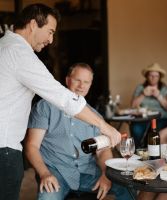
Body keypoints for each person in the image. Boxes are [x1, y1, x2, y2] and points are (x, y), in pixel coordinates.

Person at [0, 4, 121, 200]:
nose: (51, 39)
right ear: (32, 25)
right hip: (3, 149)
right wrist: (105, 127)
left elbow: (102, 151)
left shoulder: (4, 47)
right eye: (49, 32)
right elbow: (63, 97)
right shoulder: (20, 54)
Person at [25, 63, 134, 200]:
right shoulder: (45, 107)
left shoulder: (94, 117)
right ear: (67, 80)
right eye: (77, 80)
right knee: (48, 198)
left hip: (87, 172)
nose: (81, 85)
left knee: (126, 186)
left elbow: (103, 151)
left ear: (90, 84)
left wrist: (106, 175)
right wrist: (44, 173)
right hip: (57, 171)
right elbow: (32, 146)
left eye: (86, 82)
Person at [130, 63, 167, 148]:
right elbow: (133, 105)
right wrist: (143, 94)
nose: (153, 78)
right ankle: (139, 151)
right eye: (151, 75)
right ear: (146, 76)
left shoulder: (165, 88)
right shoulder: (140, 88)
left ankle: (152, 152)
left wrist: (159, 96)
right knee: (135, 128)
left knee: (155, 131)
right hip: (143, 118)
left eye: (156, 76)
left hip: (161, 118)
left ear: (159, 77)